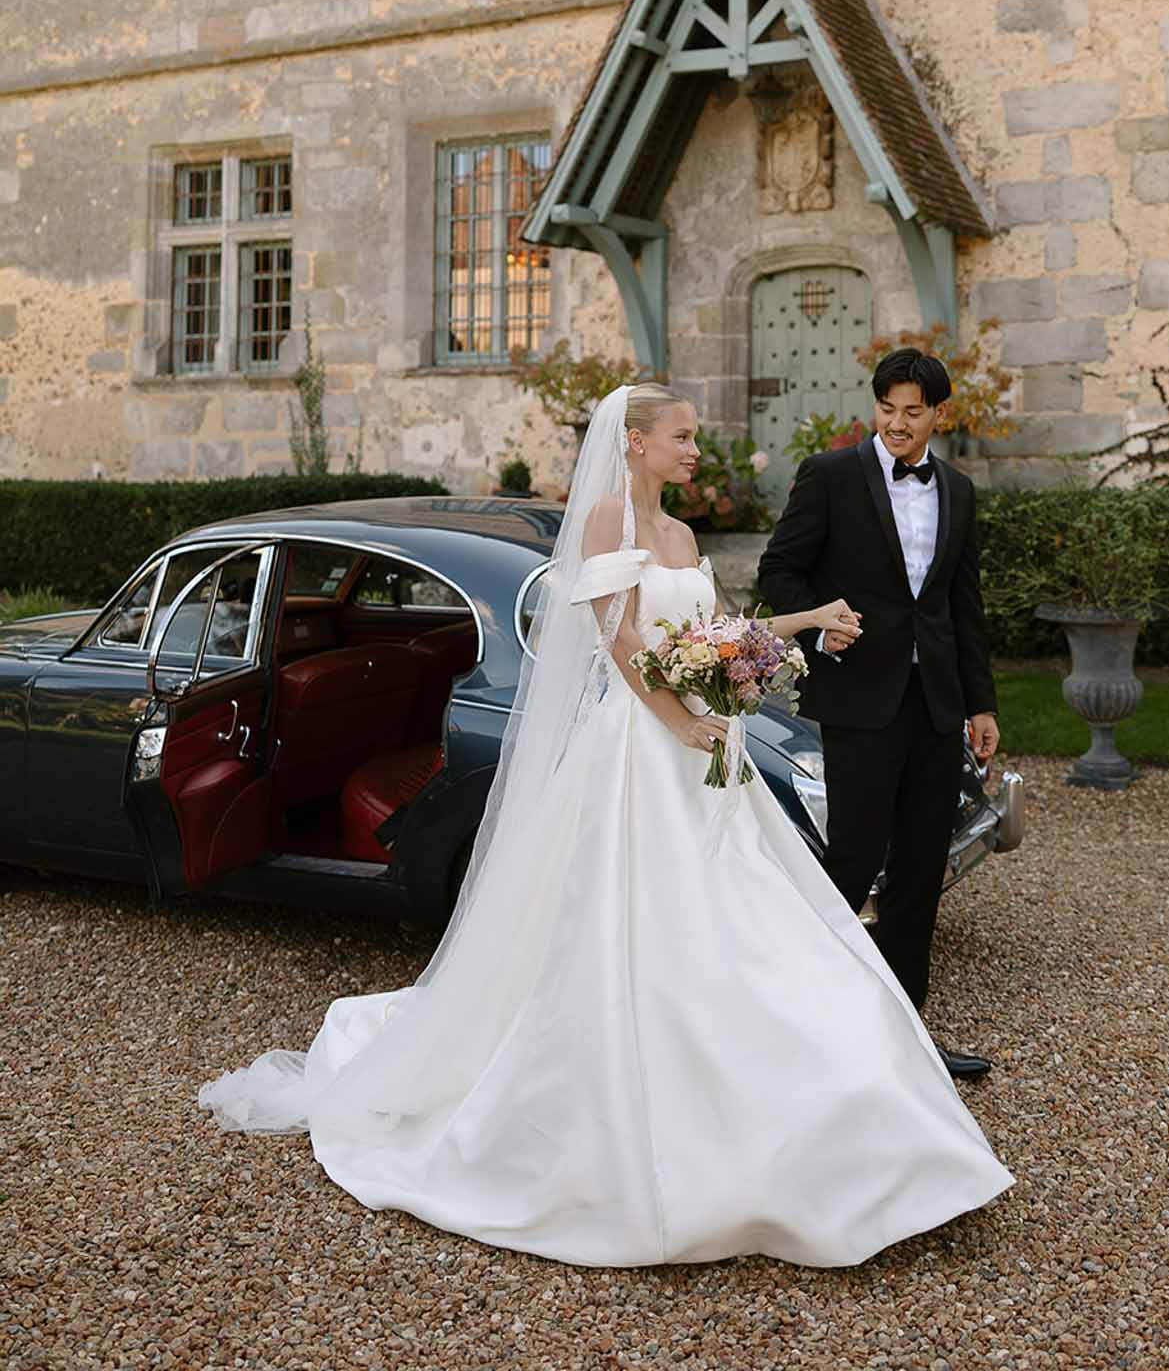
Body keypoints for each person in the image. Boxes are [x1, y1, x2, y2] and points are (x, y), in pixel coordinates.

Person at [199, 382, 1011, 1266]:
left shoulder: (686, 537)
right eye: (683, 436)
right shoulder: (606, 527)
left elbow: (715, 634)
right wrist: (682, 721)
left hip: (706, 752)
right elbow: (619, 643)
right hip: (639, 751)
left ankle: (822, 1107)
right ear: (635, 443)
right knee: (633, 920)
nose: (697, 450)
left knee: (751, 925)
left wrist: (807, 623)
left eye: (694, 437)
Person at [757, 349, 1002, 1081]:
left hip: (935, 709)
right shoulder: (829, 476)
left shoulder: (956, 489)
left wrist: (980, 702)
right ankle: (815, 1028)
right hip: (859, 699)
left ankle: (905, 1041)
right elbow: (779, 570)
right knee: (853, 863)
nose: (898, 424)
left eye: (913, 412)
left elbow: (963, 607)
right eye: (887, 409)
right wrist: (818, 621)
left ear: (937, 416)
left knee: (922, 871)